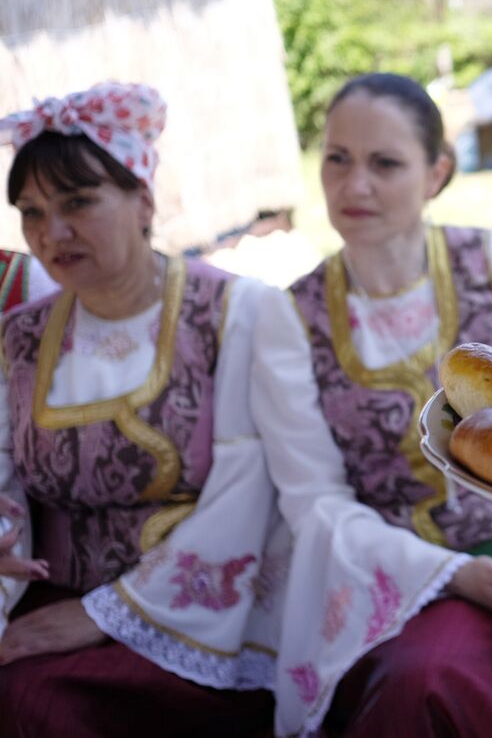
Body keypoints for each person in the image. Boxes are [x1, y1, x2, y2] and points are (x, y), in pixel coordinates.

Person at [250, 73, 492, 737]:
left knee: (429, 676)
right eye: (337, 159)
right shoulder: (290, 317)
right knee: (419, 675)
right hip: (383, 581)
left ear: (437, 173)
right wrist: (450, 573)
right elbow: (315, 504)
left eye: (385, 164)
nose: (354, 185)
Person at [0, 82, 285, 734]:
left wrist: (107, 613)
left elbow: (250, 493)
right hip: (58, 599)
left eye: (78, 202)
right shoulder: (19, 336)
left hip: (209, 608)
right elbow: (3, 478)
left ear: (144, 201)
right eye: (31, 212)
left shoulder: (235, 313)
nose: (53, 232)